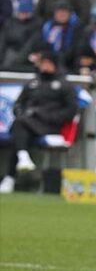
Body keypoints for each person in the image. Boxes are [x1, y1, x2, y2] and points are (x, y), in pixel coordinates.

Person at [0, 49, 78, 194]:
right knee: (21, 132)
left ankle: (11, 176)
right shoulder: (33, 83)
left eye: (48, 63)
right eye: (43, 63)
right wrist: (22, 113)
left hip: (50, 125)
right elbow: (18, 105)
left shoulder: (64, 85)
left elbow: (70, 111)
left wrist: (46, 116)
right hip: (29, 124)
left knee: (19, 127)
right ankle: (21, 161)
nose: (45, 66)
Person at [0, 0, 42, 71]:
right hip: (7, 56)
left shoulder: (36, 25)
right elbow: (2, 41)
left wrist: (16, 61)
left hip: (24, 59)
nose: (23, 14)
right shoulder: (10, 22)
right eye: (21, 12)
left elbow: (30, 46)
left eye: (26, 12)